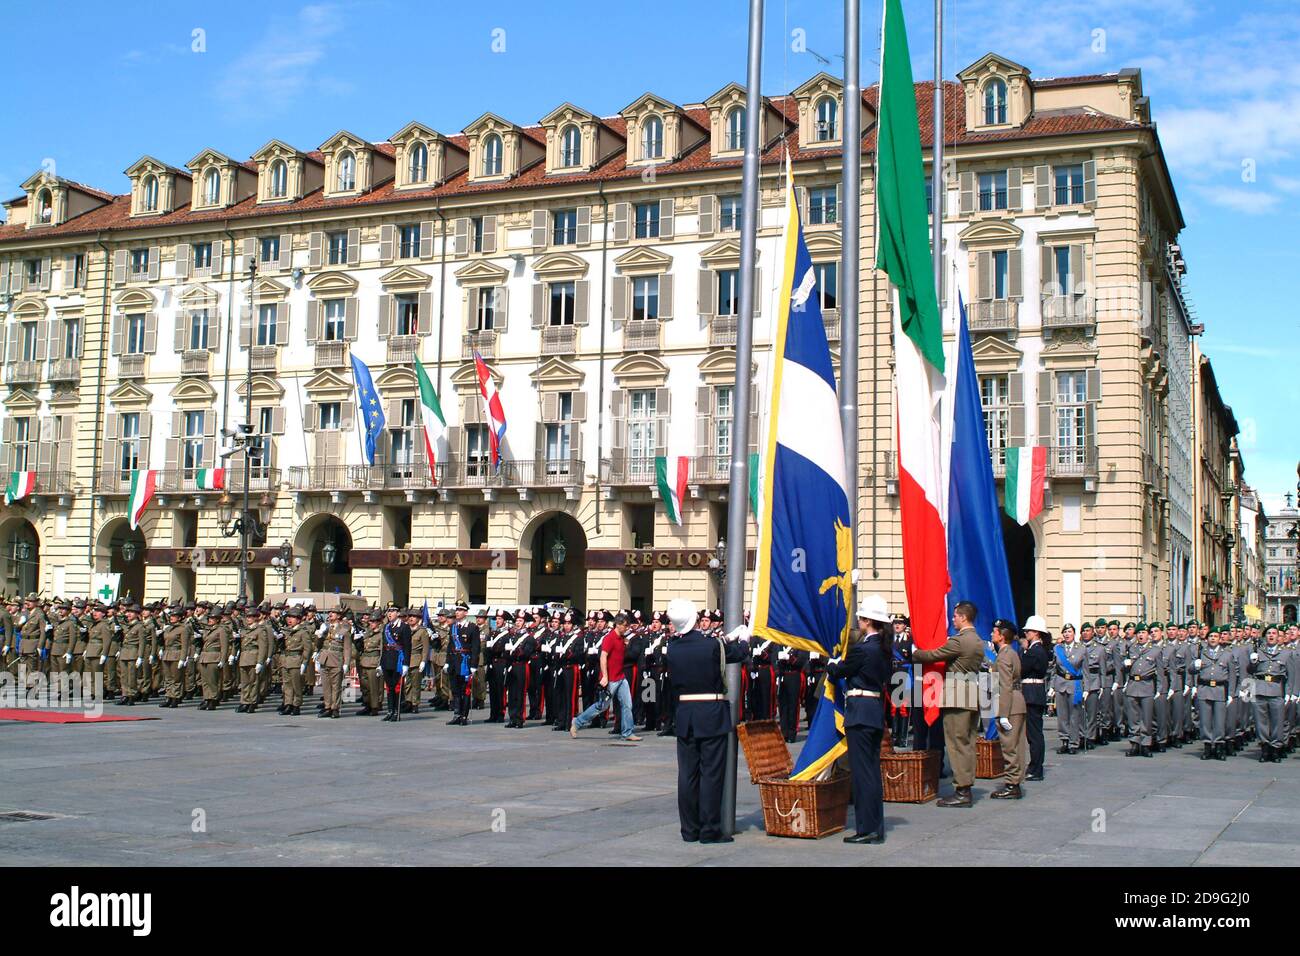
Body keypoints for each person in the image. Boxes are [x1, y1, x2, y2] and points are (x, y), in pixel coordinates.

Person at [665, 599, 747, 844]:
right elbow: (737, 654)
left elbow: (713, 647)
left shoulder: (673, 647)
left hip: (685, 713)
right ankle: (710, 829)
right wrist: (744, 638)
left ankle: (689, 830)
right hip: (710, 712)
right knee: (711, 774)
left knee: (687, 776)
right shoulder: (711, 645)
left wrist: (726, 639)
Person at [827, 596, 892, 844]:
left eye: (861, 618)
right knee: (871, 772)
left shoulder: (864, 649)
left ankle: (867, 829)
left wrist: (832, 664)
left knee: (863, 774)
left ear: (867, 621)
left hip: (860, 712)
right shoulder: (882, 648)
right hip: (873, 709)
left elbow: (841, 671)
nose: (859, 621)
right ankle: (875, 826)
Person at [912, 600, 986, 808]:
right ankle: (966, 785)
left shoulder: (960, 640)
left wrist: (915, 651)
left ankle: (962, 790)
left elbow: (933, 655)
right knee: (968, 743)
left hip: (957, 696)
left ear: (963, 617)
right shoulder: (978, 640)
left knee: (956, 743)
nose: (953, 619)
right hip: (971, 693)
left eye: (955, 616)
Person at [570, 613, 640, 742]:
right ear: (618, 625)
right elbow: (603, 657)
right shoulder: (609, 638)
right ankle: (577, 722)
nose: (627, 628)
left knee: (627, 705)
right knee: (601, 706)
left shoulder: (621, 638)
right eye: (625, 626)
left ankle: (627, 732)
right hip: (611, 679)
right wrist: (605, 677)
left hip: (621, 677)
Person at [990, 619, 1026, 799]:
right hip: (1016, 701)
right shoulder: (1011, 653)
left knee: (1009, 746)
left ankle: (1012, 784)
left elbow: (1004, 686)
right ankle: (1015, 782)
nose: (991, 634)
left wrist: (1003, 714)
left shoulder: (1004, 656)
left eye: (994, 631)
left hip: (1008, 704)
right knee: (1017, 745)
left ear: (1002, 636)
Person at [1190, 628, 1233, 760]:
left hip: (1220, 690)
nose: (1213, 638)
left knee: (1219, 720)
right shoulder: (1201, 653)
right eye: (1211, 636)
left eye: (1215, 636)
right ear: (1207, 639)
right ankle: (1207, 745)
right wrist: (1194, 666)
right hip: (1205, 688)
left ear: (1220, 639)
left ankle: (1219, 746)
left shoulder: (1227, 654)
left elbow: (1232, 675)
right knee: (1205, 720)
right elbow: (1191, 670)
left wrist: (1230, 693)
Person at [1019, 616, 1050, 781]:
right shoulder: (1039, 649)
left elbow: (1022, 670)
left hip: (1031, 692)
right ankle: (1036, 767)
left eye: (1028, 631)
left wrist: (1024, 651)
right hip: (1035, 692)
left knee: (1034, 734)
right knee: (1035, 733)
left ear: (1036, 633)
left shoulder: (1034, 651)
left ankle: (1036, 768)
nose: (1026, 633)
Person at [445, 603, 480, 726]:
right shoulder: (453, 627)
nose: (458, 612)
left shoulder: (472, 627)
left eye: (460, 610)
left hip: (465, 662)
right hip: (454, 662)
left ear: (466, 613)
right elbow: (450, 646)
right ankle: (457, 714)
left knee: (464, 690)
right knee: (455, 690)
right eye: (457, 610)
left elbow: (476, 648)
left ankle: (464, 715)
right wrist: (447, 662)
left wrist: (474, 665)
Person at [380, 607, 412, 722]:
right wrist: (380, 663)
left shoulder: (404, 627)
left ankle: (396, 712)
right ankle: (390, 710)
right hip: (387, 660)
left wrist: (406, 664)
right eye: (388, 611)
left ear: (398, 613)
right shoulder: (386, 627)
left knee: (397, 687)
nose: (390, 614)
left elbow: (408, 647)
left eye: (392, 611)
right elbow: (383, 646)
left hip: (398, 661)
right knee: (389, 687)